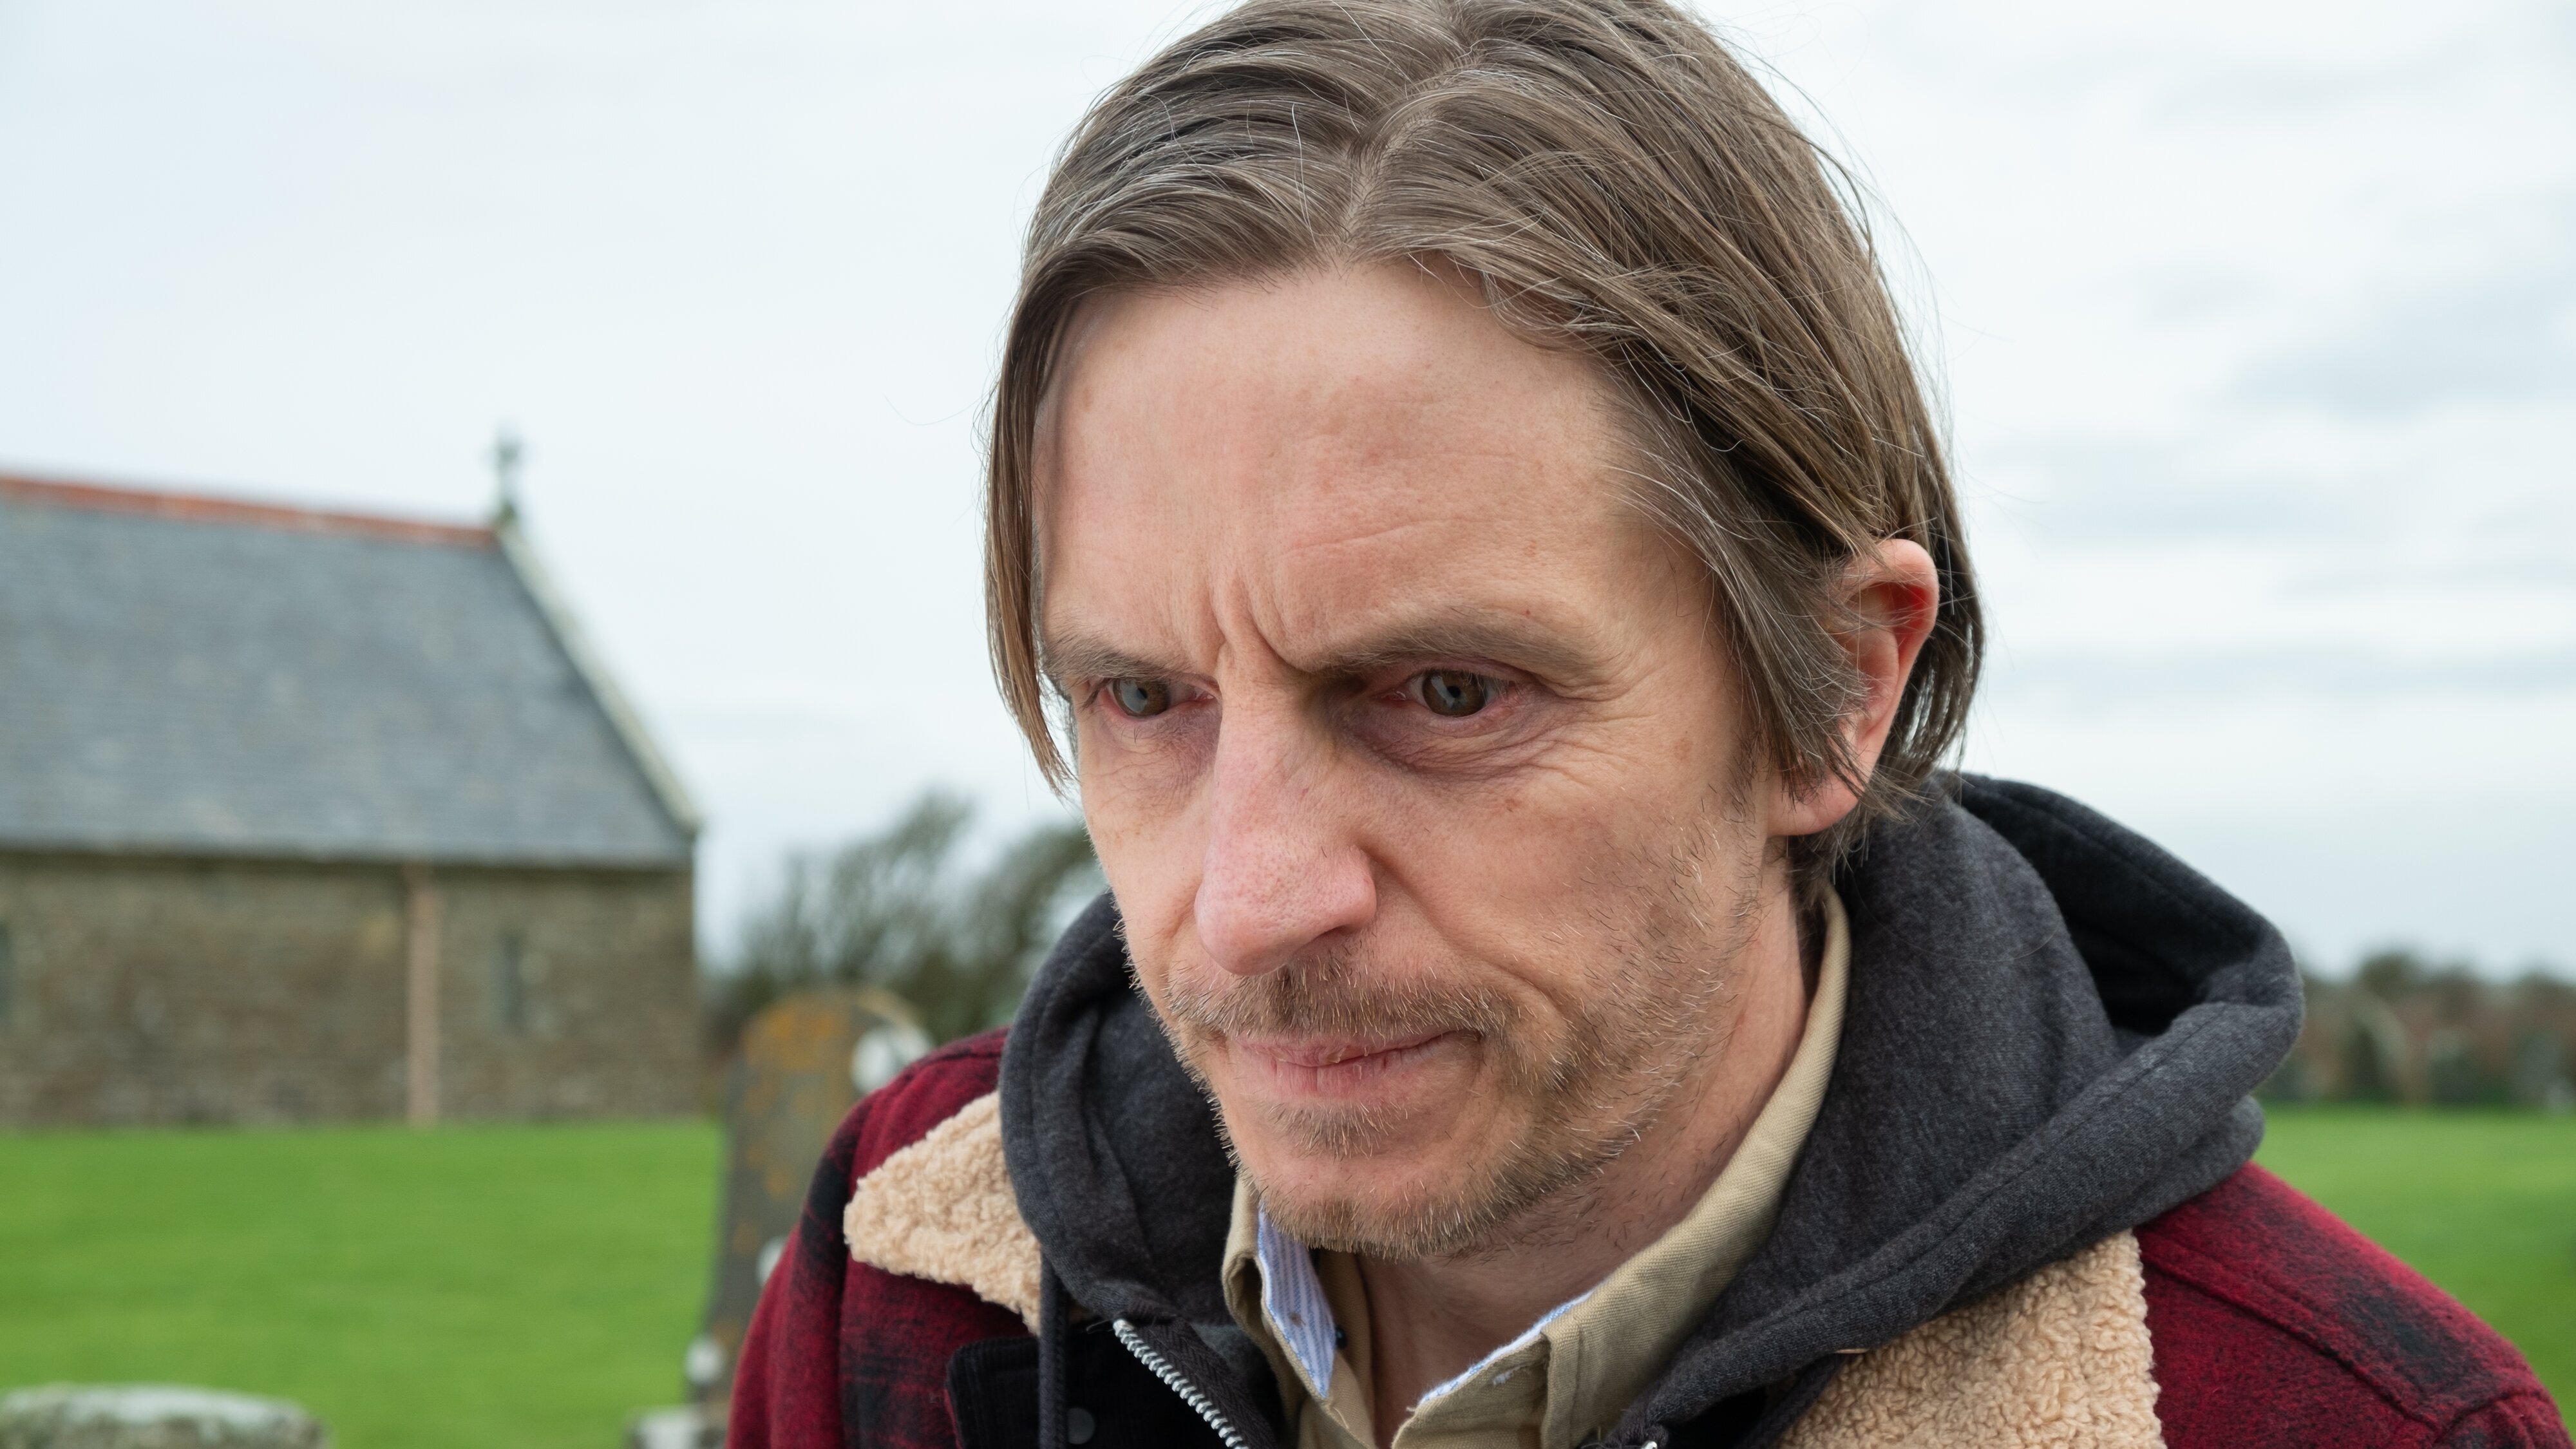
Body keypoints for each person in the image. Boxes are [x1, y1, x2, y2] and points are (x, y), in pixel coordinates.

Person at [728, 1, 2568, 1445]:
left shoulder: (2336, 1423)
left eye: (1449, 694)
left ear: (1837, 687)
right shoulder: (912, 1263)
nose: (1251, 902)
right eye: (1145, 699)